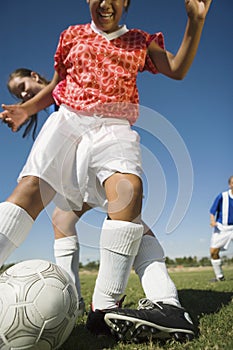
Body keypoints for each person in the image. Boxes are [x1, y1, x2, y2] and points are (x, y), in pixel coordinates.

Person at [0, 0, 212, 344]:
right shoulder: (72, 35)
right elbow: (57, 85)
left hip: (115, 124)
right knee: (29, 192)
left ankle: (103, 308)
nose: (104, 3)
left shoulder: (142, 41)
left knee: (128, 192)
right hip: (68, 120)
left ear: (126, 2)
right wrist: (27, 109)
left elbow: (176, 68)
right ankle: (158, 301)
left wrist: (195, 22)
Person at [6, 68, 86, 316]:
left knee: (31, 188)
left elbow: (59, 82)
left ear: (34, 75)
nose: (23, 94)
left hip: (92, 146)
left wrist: (26, 109)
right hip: (82, 161)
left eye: (22, 86)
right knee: (62, 220)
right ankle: (74, 301)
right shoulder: (52, 109)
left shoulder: (62, 88)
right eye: (18, 94)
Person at [209, 176, 233, 282]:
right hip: (222, 228)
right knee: (213, 251)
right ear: (230, 184)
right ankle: (219, 276)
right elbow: (212, 211)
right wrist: (212, 221)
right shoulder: (222, 196)